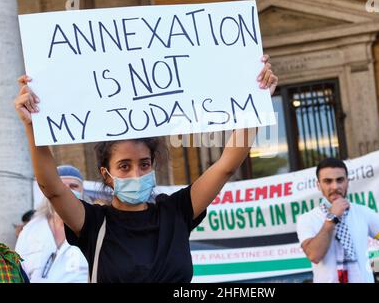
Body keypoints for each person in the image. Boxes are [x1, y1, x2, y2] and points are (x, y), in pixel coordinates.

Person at [14, 55, 277, 283]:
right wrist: (31, 125)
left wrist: (255, 100)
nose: (136, 174)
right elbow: (52, 187)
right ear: (106, 174)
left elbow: (226, 165)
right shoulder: (94, 222)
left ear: (153, 165)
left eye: (144, 164)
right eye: (124, 166)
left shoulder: (176, 211)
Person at [296, 158, 379, 283]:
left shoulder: (364, 212)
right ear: (318, 185)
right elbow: (314, 256)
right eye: (328, 181)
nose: (335, 186)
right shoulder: (307, 219)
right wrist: (332, 218)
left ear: (347, 182)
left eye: (340, 180)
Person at [14, 165, 89, 283]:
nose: (67, 191)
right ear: (49, 191)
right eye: (61, 186)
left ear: (82, 191)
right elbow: (18, 273)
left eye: (74, 186)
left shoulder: (94, 227)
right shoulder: (30, 230)